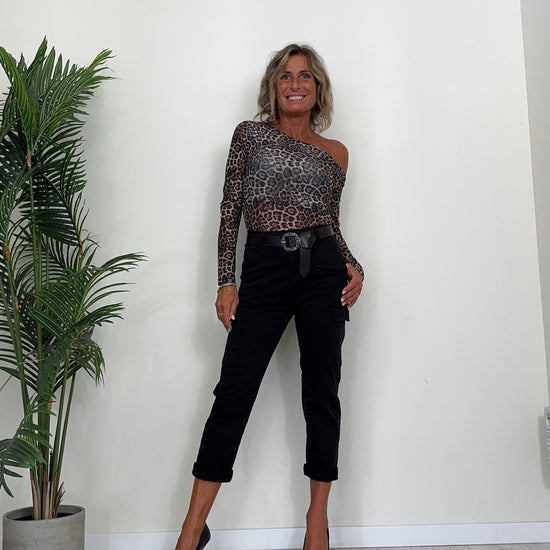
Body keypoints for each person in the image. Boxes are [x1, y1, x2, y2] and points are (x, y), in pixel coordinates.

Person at [175, 43, 363, 550]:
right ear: (273, 87)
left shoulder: (336, 153)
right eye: (285, 76)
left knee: (321, 394)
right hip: (261, 270)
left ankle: (317, 522)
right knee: (233, 394)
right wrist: (226, 279)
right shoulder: (250, 135)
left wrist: (354, 264)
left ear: (317, 88)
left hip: (322, 271)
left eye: (305, 76)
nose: (295, 84)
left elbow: (331, 223)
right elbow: (230, 210)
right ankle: (192, 530)